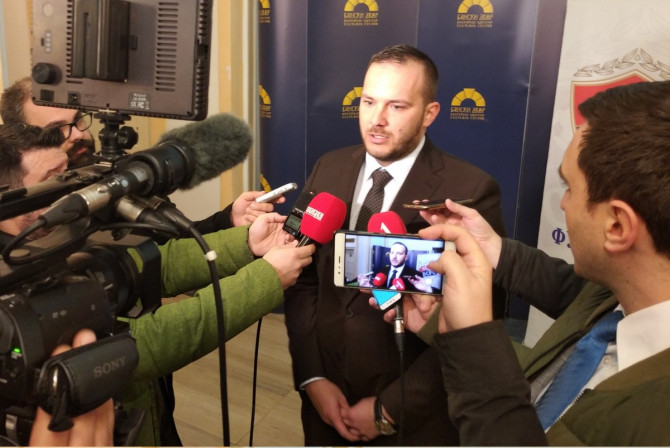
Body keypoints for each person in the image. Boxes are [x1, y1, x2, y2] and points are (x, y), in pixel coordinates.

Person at [390, 80, 670, 445]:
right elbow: (571, 304)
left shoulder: (652, 423)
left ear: (617, 226)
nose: (563, 204)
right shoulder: (617, 297)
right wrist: (492, 252)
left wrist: (473, 339)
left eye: (570, 188)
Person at [0, 122, 316, 445]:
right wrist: (266, 279)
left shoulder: (61, 232)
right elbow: (148, 342)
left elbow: (152, 265)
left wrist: (247, 243)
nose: (70, 192)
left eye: (67, 175)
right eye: (52, 180)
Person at [283, 43, 506, 445]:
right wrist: (312, 376)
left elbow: (476, 326)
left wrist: (391, 408)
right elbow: (302, 280)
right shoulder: (328, 167)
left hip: (411, 420)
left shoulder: (469, 192)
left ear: (429, 113)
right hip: (324, 401)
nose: (377, 120)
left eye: (397, 106)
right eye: (368, 102)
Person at [0, 76, 280, 230]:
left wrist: (229, 219)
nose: (79, 135)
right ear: (23, 139)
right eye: (56, 129)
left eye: (79, 120)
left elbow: (175, 246)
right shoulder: (22, 221)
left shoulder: (117, 178)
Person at [357, 241, 432, 293]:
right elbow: (377, 291)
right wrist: (369, 286)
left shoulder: (415, 275)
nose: (394, 257)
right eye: (392, 253)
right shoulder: (381, 270)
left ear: (406, 257)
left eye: (399, 253)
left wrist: (428, 290)